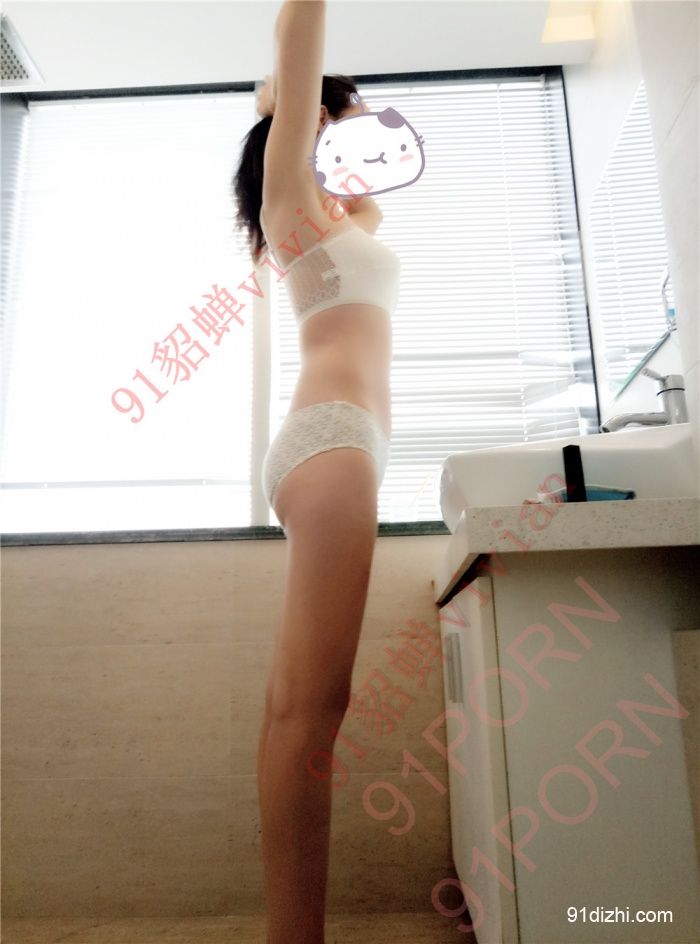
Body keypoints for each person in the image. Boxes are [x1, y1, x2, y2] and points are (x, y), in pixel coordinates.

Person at [232, 2, 401, 941]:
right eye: (342, 128)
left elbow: (373, 193)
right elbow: (298, 41)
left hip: (342, 446)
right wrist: (294, 94)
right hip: (332, 441)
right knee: (311, 715)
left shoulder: (343, 220)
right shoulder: (289, 207)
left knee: (298, 710)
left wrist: (344, 123)